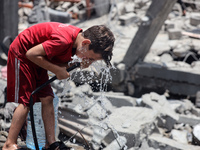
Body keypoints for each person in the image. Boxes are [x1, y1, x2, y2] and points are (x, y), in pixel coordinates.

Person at [3, 22, 115, 150]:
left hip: (37, 60)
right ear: (85, 43)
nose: (89, 62)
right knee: (27, 100)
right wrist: (57, 70)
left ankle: (51, 143)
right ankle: (9, 144)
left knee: (48, 99)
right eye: (90, 58)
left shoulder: (77, 42)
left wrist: (71, 66)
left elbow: (60, 63)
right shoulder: (63, 40)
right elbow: (31, 54)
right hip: (22, 54)